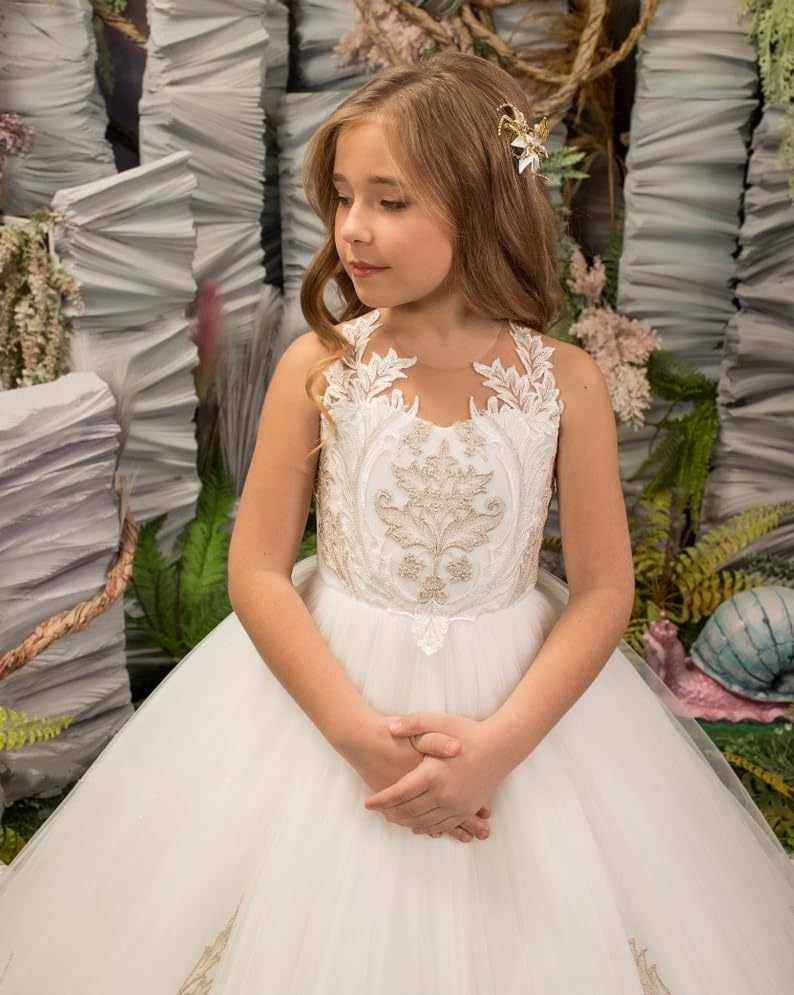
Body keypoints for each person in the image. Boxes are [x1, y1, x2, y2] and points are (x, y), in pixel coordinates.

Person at [1, 52, 792, 995]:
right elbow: (256, 571)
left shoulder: (565, 383)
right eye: (343, 196)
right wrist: (358, 738)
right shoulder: (318, 366)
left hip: (513, 708)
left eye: (390, 200)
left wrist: (497, 750)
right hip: (330, 697)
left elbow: (603, 590)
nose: (352, 227)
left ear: (482, 203)